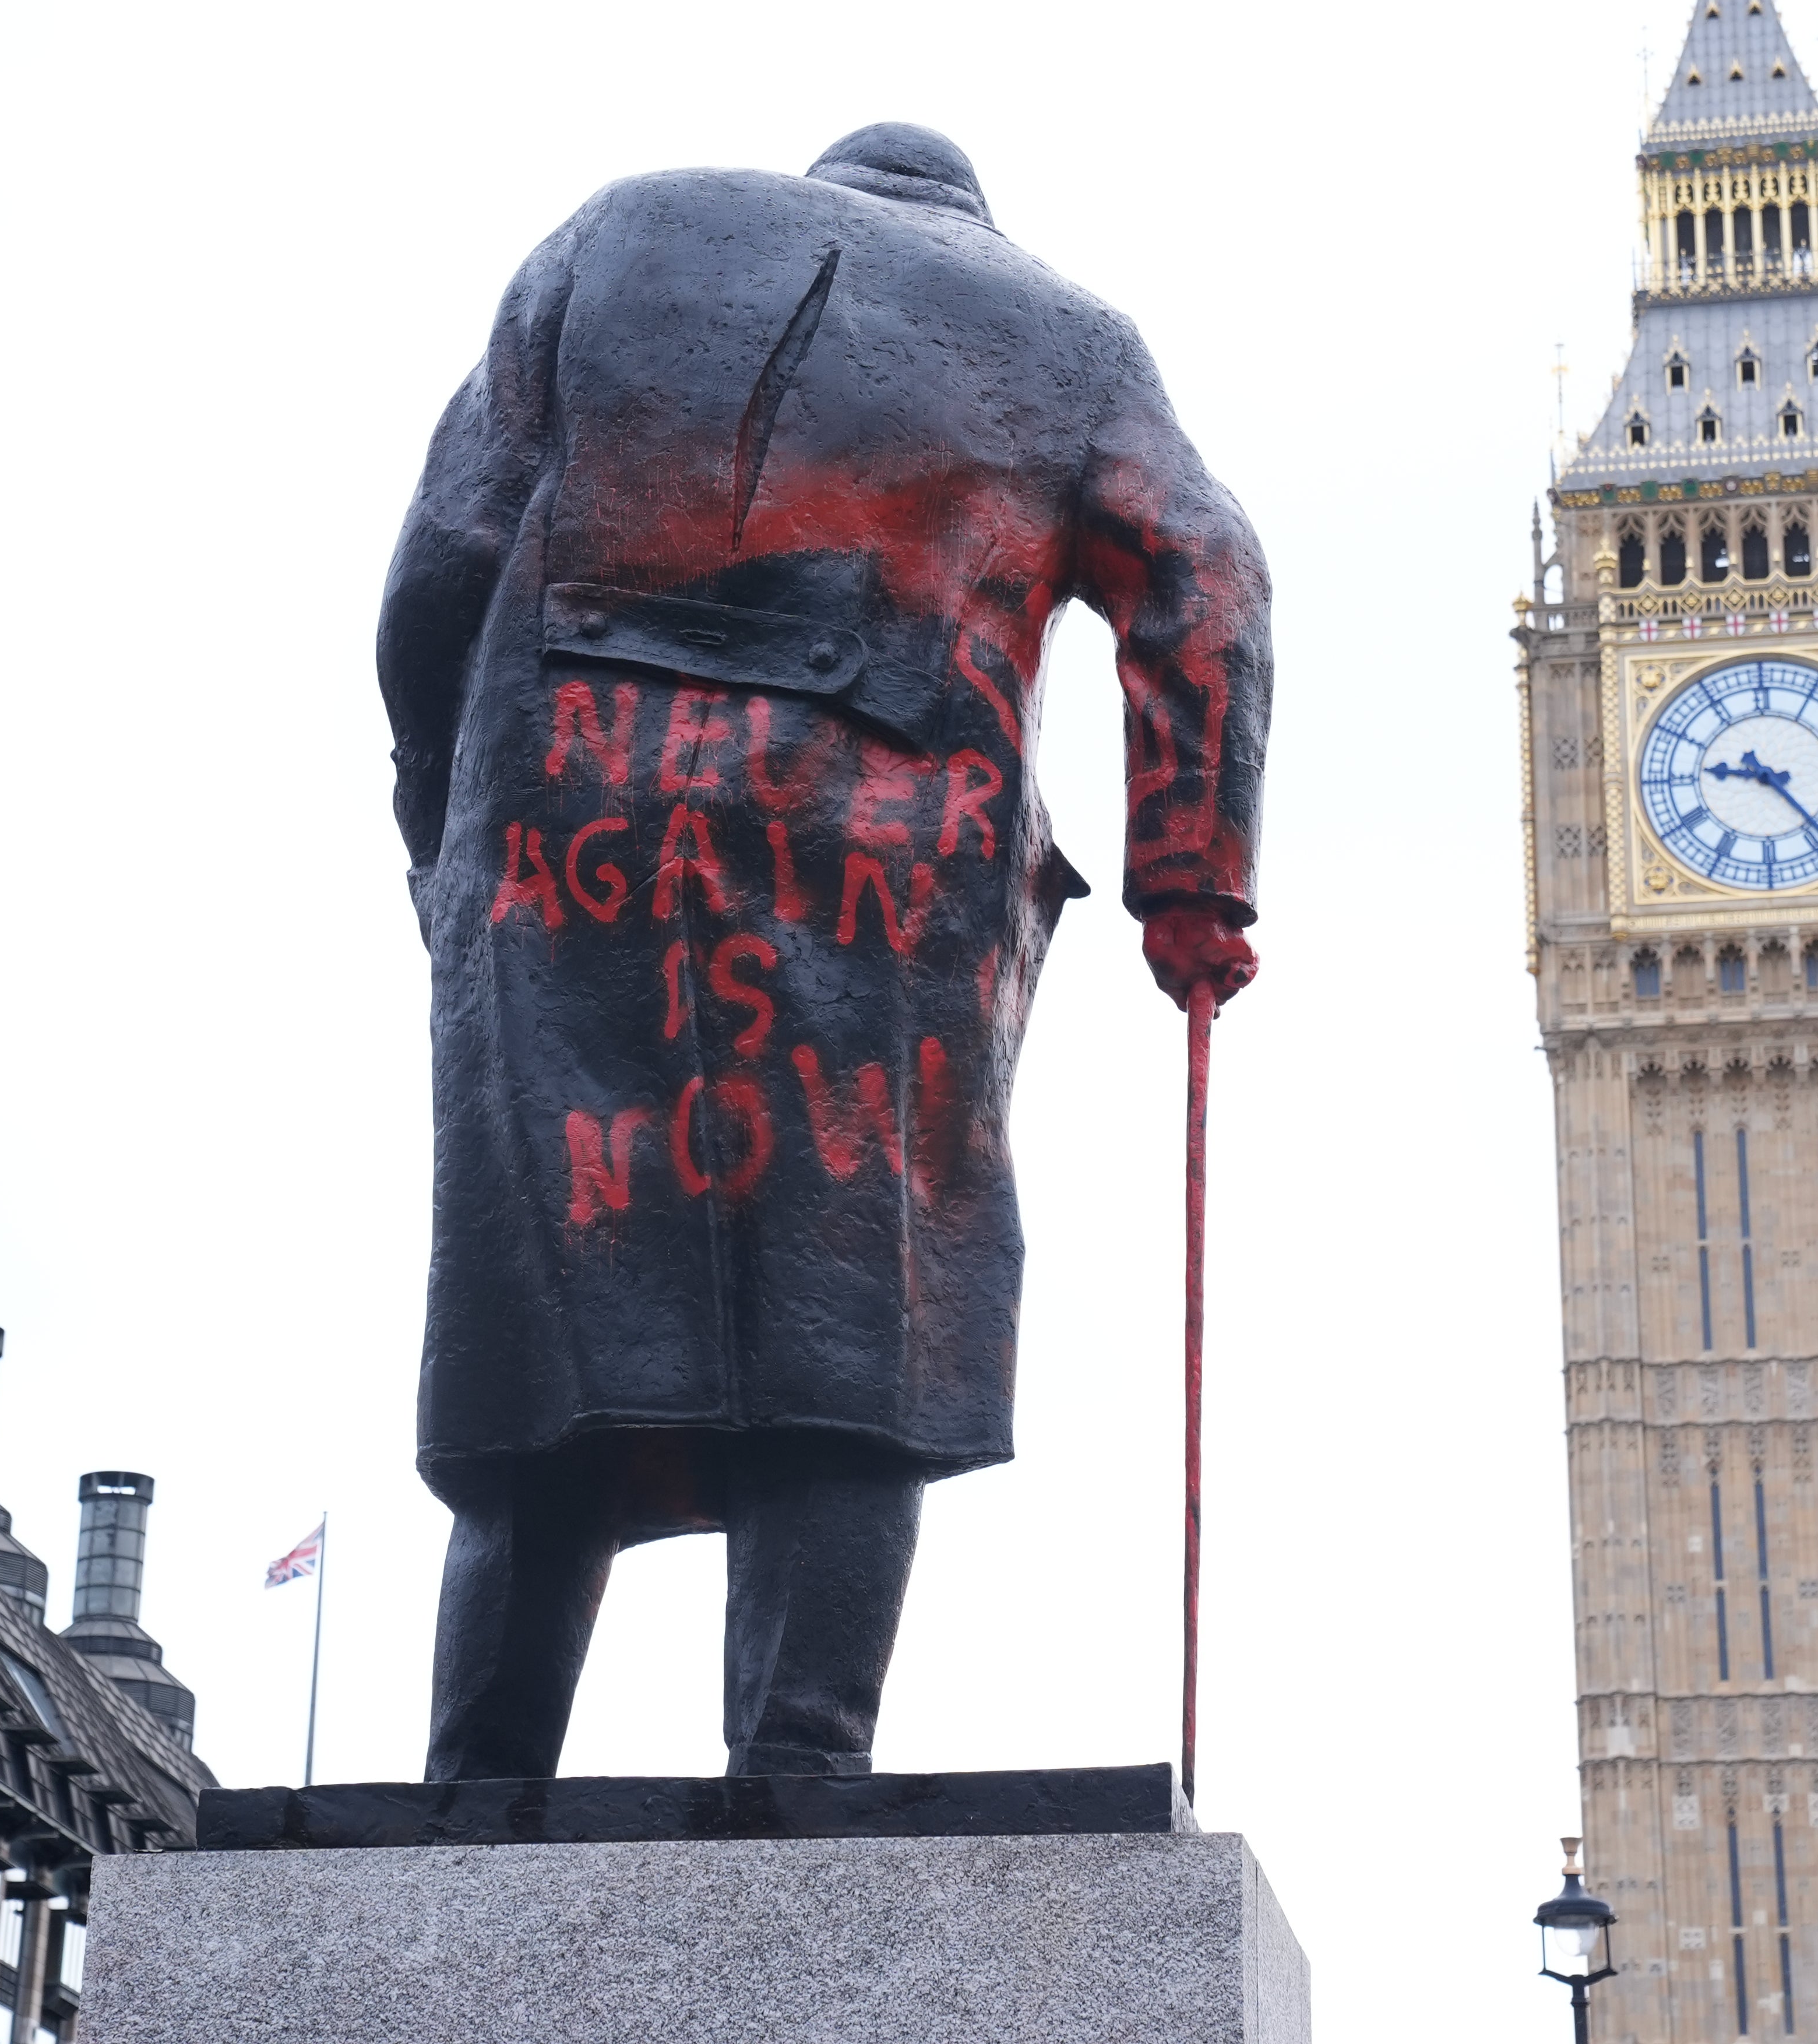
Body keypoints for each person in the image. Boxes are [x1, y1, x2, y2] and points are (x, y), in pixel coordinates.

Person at [377, 122, 1271, 1778]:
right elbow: (1205, 574)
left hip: (564, 812)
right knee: (864, 1287)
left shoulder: (619, 229)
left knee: (550, 1284)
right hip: (891, 839)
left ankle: (481, 1769)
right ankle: (801, 1756)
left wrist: (442, 818)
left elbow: (442, 560)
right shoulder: (1075, 342)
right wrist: (1192, 879)